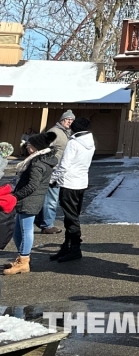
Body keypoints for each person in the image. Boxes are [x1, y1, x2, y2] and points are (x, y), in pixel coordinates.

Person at [4, 131, 57, 276]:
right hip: (27, 199)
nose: (27, 146)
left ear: (37, 147)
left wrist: (16, 196)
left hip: (30, 200)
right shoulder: (37, 160)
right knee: (17, 231)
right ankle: (22, 257)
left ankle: (23, 260)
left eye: (30, 144)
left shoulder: (38, 164)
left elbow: (32, 185)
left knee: (25, 230)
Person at [50, 116, 96, 263]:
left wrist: (52, 179)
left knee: (71, 218)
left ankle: (75, 248)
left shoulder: (73, 143)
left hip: (69, 183)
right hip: (81, 182)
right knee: (73, 216)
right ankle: (67, 246)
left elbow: (64, 165)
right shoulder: (90, 142)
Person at [35, 110, 74, 235]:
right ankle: (47, 225)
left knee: (50, 197)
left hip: (61, 169)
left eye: (72, 120)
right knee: (51, 198)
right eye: (67, 119)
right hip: (53, 169)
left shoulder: (68, 133)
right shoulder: (55, 132)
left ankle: (41, 220)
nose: (69, 122)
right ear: (62, 120)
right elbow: (43, 148)